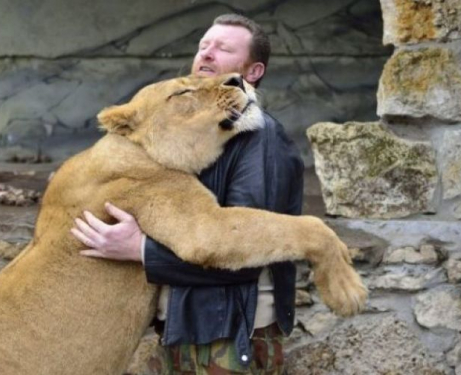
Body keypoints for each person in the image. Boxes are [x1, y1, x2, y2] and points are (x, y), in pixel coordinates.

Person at [71, 14, 304, 375]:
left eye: (223, 48)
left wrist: (141, 250)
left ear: (254, 71)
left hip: (232, 334)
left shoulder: (262, 138)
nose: (207, 54)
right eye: (203, 46)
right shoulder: (195, 134)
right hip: (186, 327)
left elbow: (247, 248)